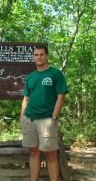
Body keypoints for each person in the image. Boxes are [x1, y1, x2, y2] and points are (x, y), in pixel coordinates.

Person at [20, 45, 68, 181]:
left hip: (47, 120)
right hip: (29, 119)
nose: (39, 57)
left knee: (50, 155)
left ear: (47, 56)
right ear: (33, 57)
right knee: (34, 152)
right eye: (36, 55)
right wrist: (22, 117)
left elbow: (61, 96)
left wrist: (53, 117)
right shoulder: (30, 77)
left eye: (41, 54)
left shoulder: (55, 74)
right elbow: (26, 99)